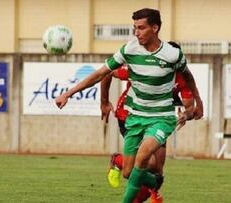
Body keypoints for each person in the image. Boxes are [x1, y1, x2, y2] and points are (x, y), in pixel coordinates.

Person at [55, 8, 203, 203]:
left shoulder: (173, 55)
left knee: (144, 160)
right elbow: (102, 73)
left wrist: (196, 105)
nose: (136, 32)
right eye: (135, 28)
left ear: (155, 28)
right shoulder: (130, 50)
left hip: (161, 118)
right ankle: (153, 183)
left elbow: (189, 79)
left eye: (141, 28)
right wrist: (69, 93)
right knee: (129, 172)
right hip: (134, 117)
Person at [102, 48, 196, 203]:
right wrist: (104, 101)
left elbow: (189, 106)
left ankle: (152, 190)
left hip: (158, 118)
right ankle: (120, 161)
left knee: (157, 169)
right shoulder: (148, 68)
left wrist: (186, 114)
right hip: (130, 116)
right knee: (145, 163)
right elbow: (108, 71)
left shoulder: (181, 77)